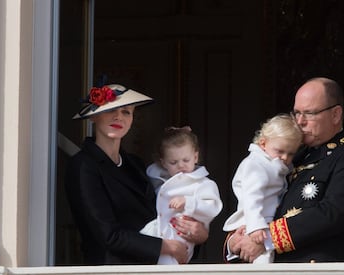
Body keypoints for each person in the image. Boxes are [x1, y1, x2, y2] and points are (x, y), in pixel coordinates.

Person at [225, 77, 344, 263]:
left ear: (335, 114)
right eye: (296, 113)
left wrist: (266, 239)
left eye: (309, 113)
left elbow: (334, 213)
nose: (300, 122)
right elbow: (256, 201)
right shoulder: (289, 156)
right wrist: (236, 241)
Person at [65, 84, 209, 265]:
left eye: (126, 112)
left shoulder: (136, 165)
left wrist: (197, 234)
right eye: (111, 110)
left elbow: (162, 216)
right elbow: (106, 235)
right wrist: (166, 247)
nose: (118, 116)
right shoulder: (83, 165)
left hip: (155, 267)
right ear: (94, 116)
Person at [223, 114, 303, 264]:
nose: (285, 157)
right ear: (263, 143)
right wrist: (255, 226)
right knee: (262, 261)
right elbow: (252, 197)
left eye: (291, 153)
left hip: (266, 222)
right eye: (280, 151)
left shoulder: (274, 163)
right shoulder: (256, 164)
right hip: (254, 221)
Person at [140, 126, 223, 264]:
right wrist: (172, 135)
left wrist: (188, 202)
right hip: (156, 231)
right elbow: (152, 170)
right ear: (163, 163)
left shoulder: (202, 183)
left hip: (182, 234)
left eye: (186, 160)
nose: (181, 166)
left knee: (169, 265)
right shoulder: (159, 178)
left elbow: (213, 207)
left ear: (195, 157)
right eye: (173, 162)